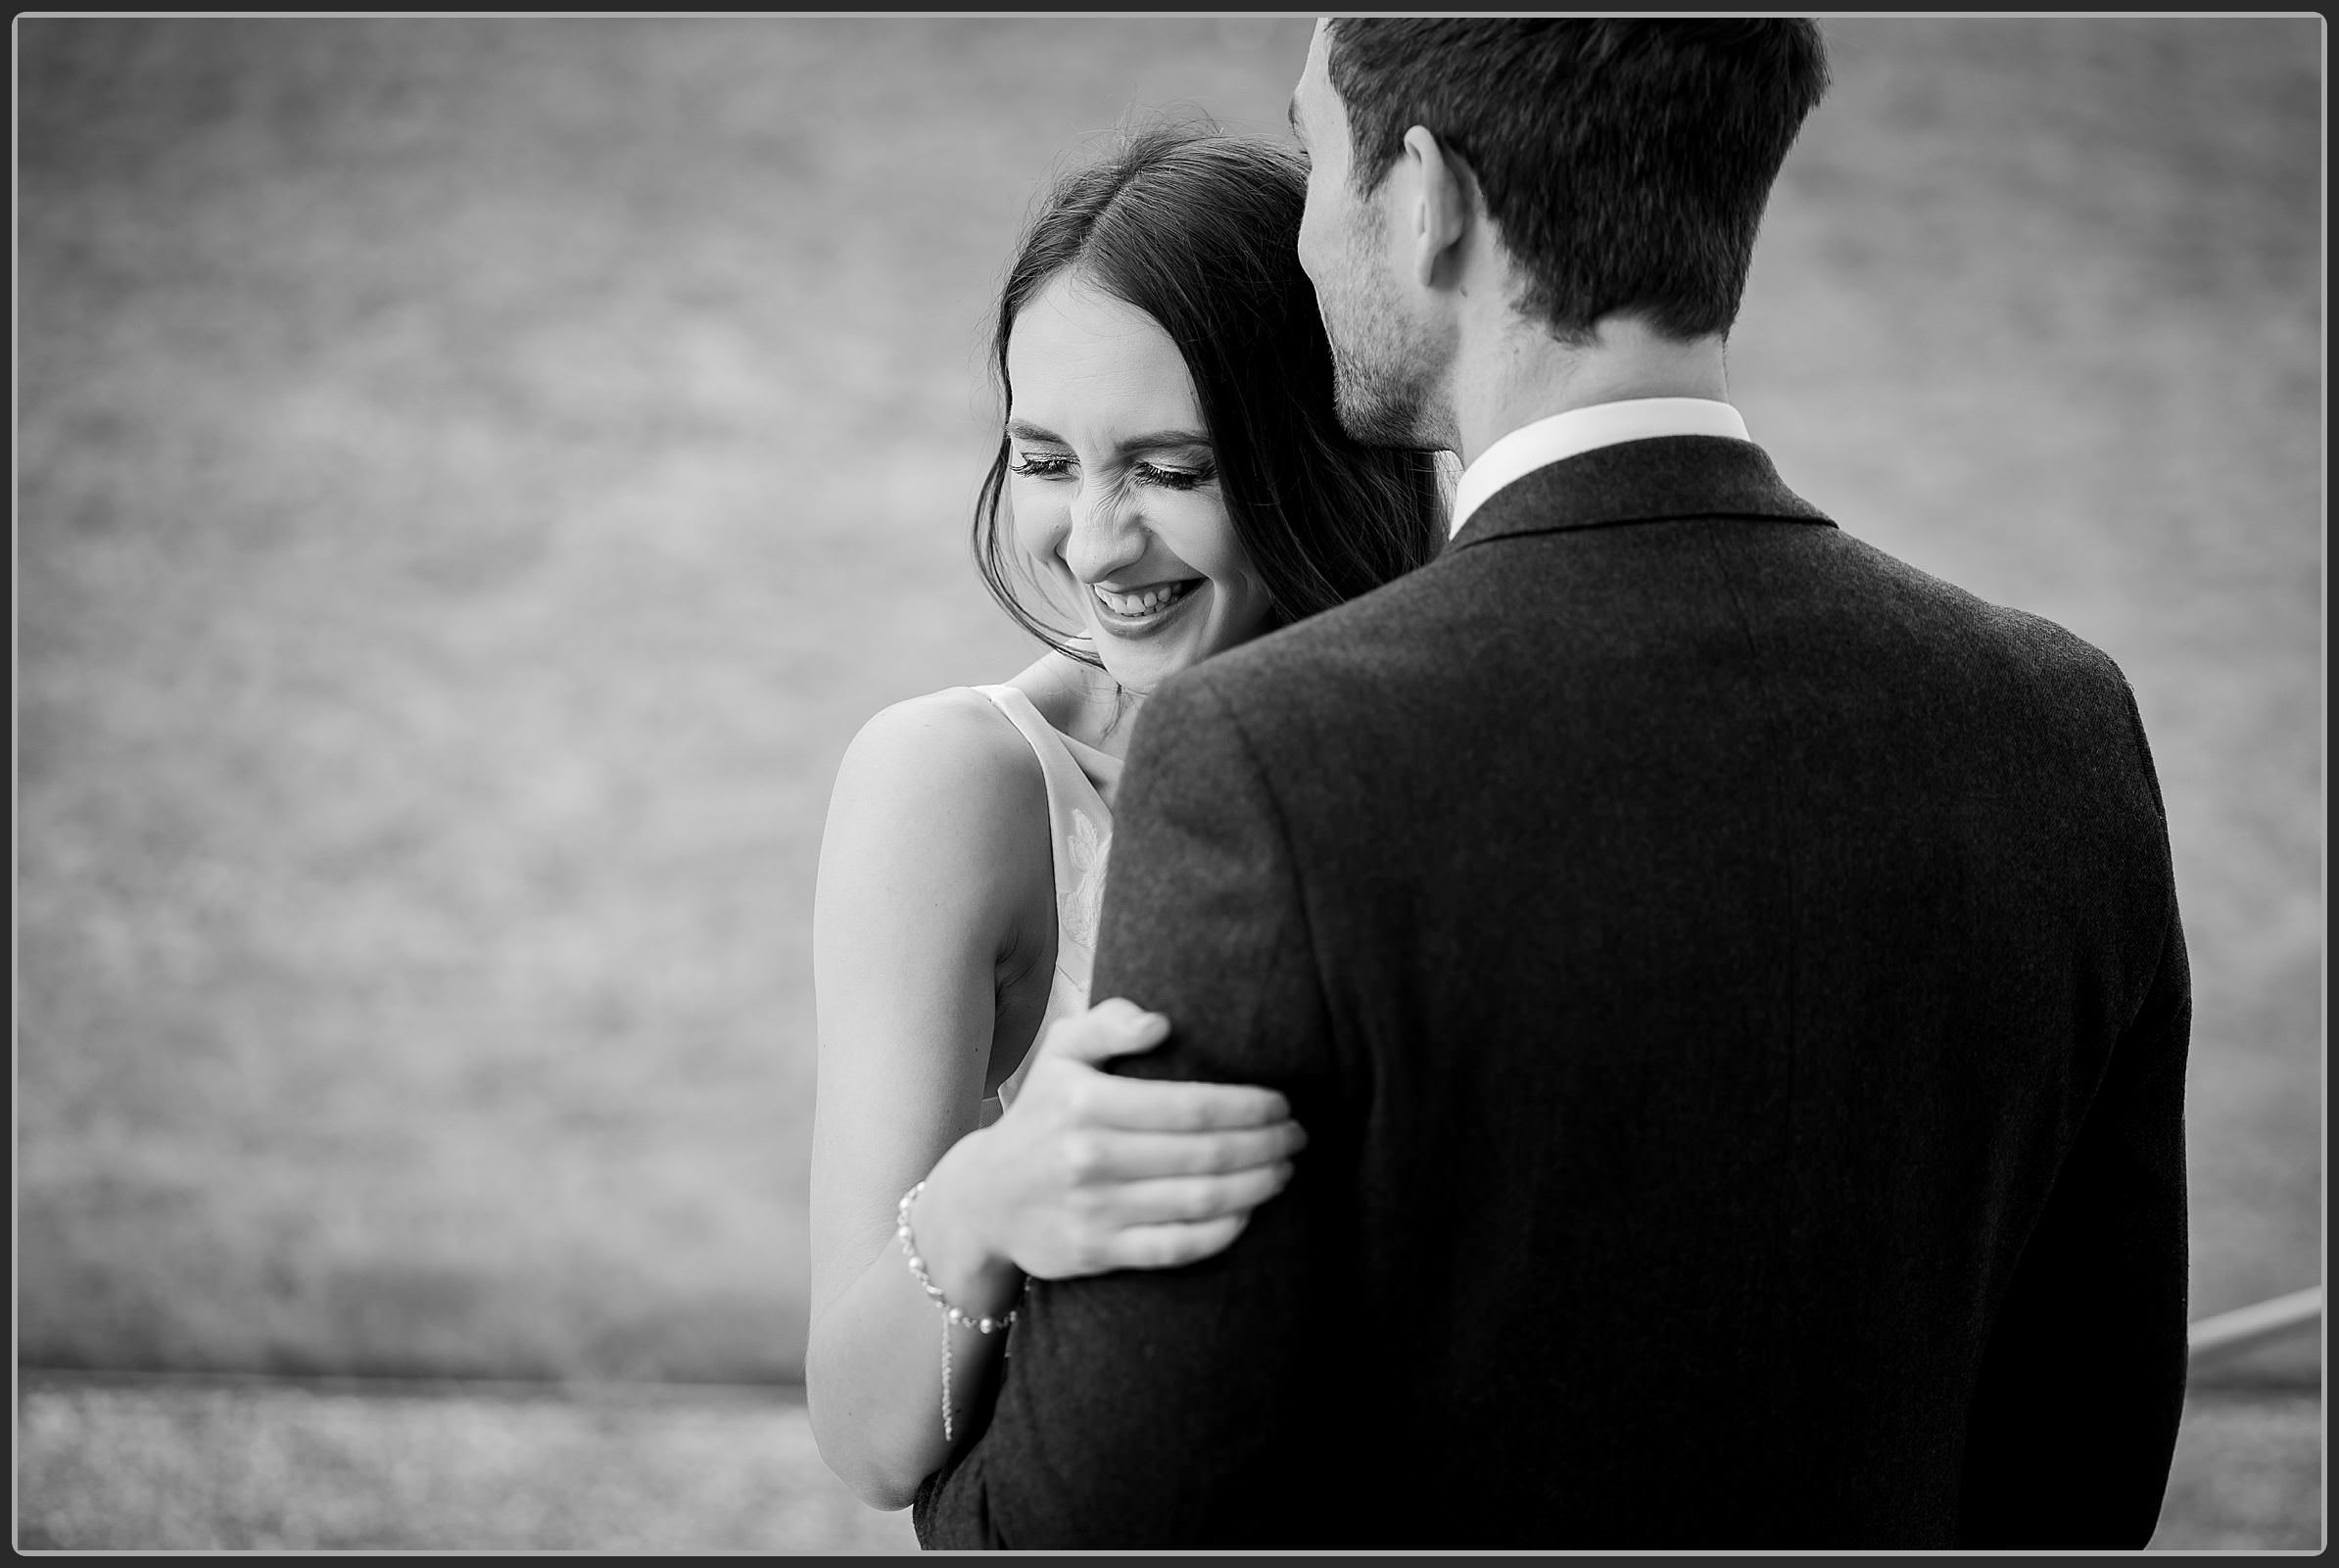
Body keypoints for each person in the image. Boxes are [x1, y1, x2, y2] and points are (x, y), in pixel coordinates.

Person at [915, 18, 2190, 1549]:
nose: (1310, 242)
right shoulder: (2062, 728)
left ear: (1431, 201)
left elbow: (1101, 1511)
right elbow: (2091, 1449)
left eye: (1322, 162)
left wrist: (952, 1483)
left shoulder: (1266, 760)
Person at [805, 125, 1447, 1512]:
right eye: (1045, 461)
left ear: (1319, 458)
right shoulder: (956, 788)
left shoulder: (1463, 761)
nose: (1094, 542)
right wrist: (989, 1201)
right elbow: (862, 1437)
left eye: (1169, 470)